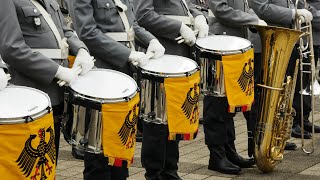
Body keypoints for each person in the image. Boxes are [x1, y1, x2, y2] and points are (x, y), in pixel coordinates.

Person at [72, 0, 165, 179]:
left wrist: (150, 40)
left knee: (120, 145)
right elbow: (87, 32)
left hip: (124, 76)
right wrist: (127, 54)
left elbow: (131, 25)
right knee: (99, 152)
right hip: (102, 75)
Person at [0, 0, 93, 164]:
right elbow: (11, 48)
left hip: (55, 95)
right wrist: (57, 71)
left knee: (50, 164)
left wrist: (81, 49)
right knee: (32, 166)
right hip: (30, 95)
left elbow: (65, 31)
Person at [133, 1, 208, 179]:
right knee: (157, 120)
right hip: (162, 54)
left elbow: (186, 3)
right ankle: (155, 172)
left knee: (174, 117)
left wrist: (198, 15)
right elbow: (143, 15)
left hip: (179, 55)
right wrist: (179, 27)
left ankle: (170, 170)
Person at [201, 0, 267, 174]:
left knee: (229, 103)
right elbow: (221, 10)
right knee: (216, 102)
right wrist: (251, 20)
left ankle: (229, 151)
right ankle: (216, 155)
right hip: (220, 43)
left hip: (235, 44)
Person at [248, 0, 318, 140]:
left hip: (285, 37)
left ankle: (277, 134)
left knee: (284, 90)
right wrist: (292, 13)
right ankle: (265, 137)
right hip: (269, 39)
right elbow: (262, 8)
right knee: (269, 92)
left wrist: (296, 13)